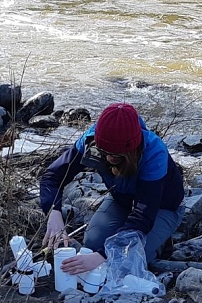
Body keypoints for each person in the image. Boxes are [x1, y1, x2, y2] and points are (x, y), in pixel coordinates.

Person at [39, 102, 184, 276]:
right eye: (104, 152)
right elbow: (52, 177)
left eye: (116, 155)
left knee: (127, 260)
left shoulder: (154, 152)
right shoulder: (92, 139)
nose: (108, 158)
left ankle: (162, 243)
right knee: (92, 243)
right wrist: (53, 212)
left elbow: (143, 216)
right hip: (122, 200)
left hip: (161, 206)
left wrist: (102, 255)